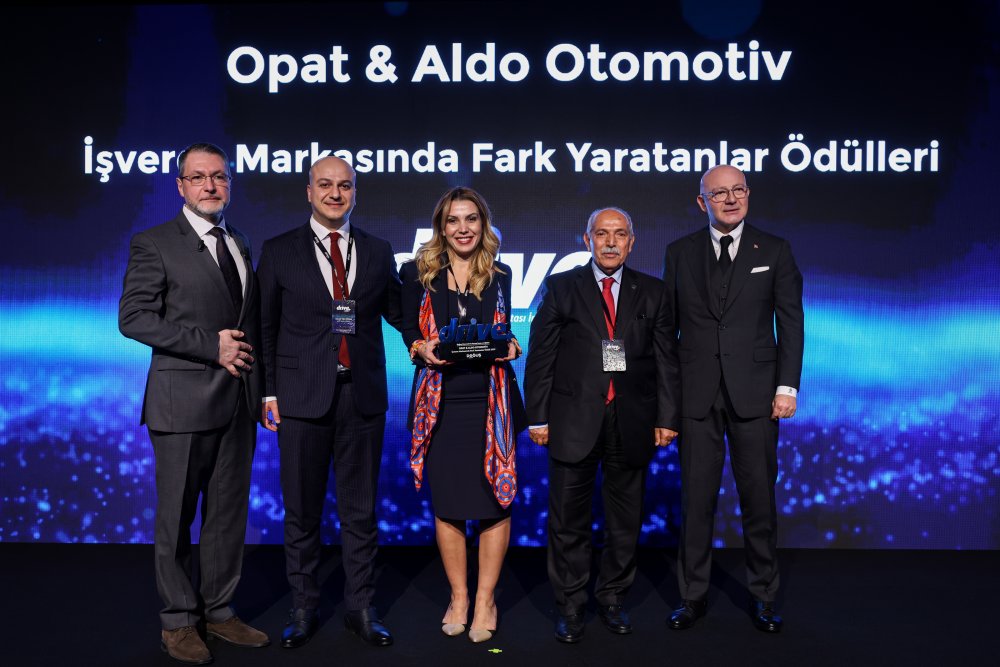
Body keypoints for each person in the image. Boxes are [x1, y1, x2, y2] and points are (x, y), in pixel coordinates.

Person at [119, 142, 269, 665]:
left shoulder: (239, 240)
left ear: (230, 184)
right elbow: (133, 318)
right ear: (181, 186)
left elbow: (247, 323)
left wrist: (262, 390)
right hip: (180, 403)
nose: (210, 185)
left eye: (219, 176)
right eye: (199, 177)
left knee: (227, 517)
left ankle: (219, 611)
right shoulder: (154, 242)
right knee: (176, 518)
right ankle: (179, 621)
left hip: (238, 402)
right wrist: (211, 346)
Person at [257, 156, 402, 649]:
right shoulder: (279, 251)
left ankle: (361, 607)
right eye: (325, 184)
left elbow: (400, 313)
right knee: (302, 512)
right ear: (309, 191)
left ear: (355, 192)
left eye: (345, 185)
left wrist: (434, 339)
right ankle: (304, 608)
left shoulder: (378, 251)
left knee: (360, 513)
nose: (335, 194)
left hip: (362, 397)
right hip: (300, 400)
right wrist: (269, 391)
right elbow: (265, 326)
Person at [524, 207, 679, 643]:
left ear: (632, 242)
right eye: (602, 233)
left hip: (633, 421)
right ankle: (571, 606)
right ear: (586, 239)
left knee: (624, 522)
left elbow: (667, 361)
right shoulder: (561, 287)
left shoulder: (654, 292)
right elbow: (541, 357)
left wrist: (667, 417)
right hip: (572, 420)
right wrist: (538, 416)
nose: (611, 242)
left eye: (620, 234)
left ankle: (612, 599)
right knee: (567, 522)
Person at [662, 165, 804, 633]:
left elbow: (791, 323)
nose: (730, 199)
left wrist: (786, 387)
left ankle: (764, 596)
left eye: (737, 190)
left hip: (758, 396)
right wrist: (668, 401)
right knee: (695, 502)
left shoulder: (775, 250)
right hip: (696, 396)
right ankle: (692, 596)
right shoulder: (680, 252)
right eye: (719, 193)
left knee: (759, 500)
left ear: (748, 194)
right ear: (701, 202)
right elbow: (667, 331)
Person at [401, 187, 526, 644]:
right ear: (441, 226)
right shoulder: (416, 273)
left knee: (495, 503)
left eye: (471, 219)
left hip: (491, 403)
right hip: (441, 404)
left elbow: (502, 330)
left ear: (483, 224)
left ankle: (486, 600)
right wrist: (420, 347)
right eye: (453, 220)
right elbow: (409, 329)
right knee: (449, 504)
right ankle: (459, 597)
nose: (463, 228)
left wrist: (512, 345)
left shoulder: (501, 272)